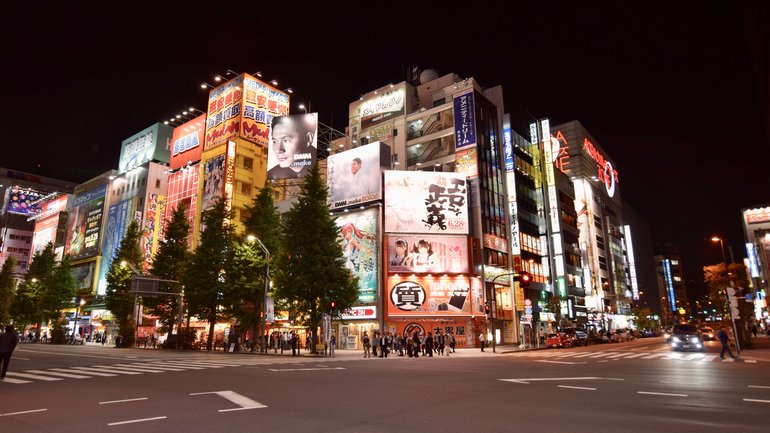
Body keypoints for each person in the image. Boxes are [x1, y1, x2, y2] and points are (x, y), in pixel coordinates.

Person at [267, 114, 317, 180]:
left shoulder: (319, 168)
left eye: (285, 140)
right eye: (275, 141)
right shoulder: (272, 173)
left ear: (308, 139)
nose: (278, 150)